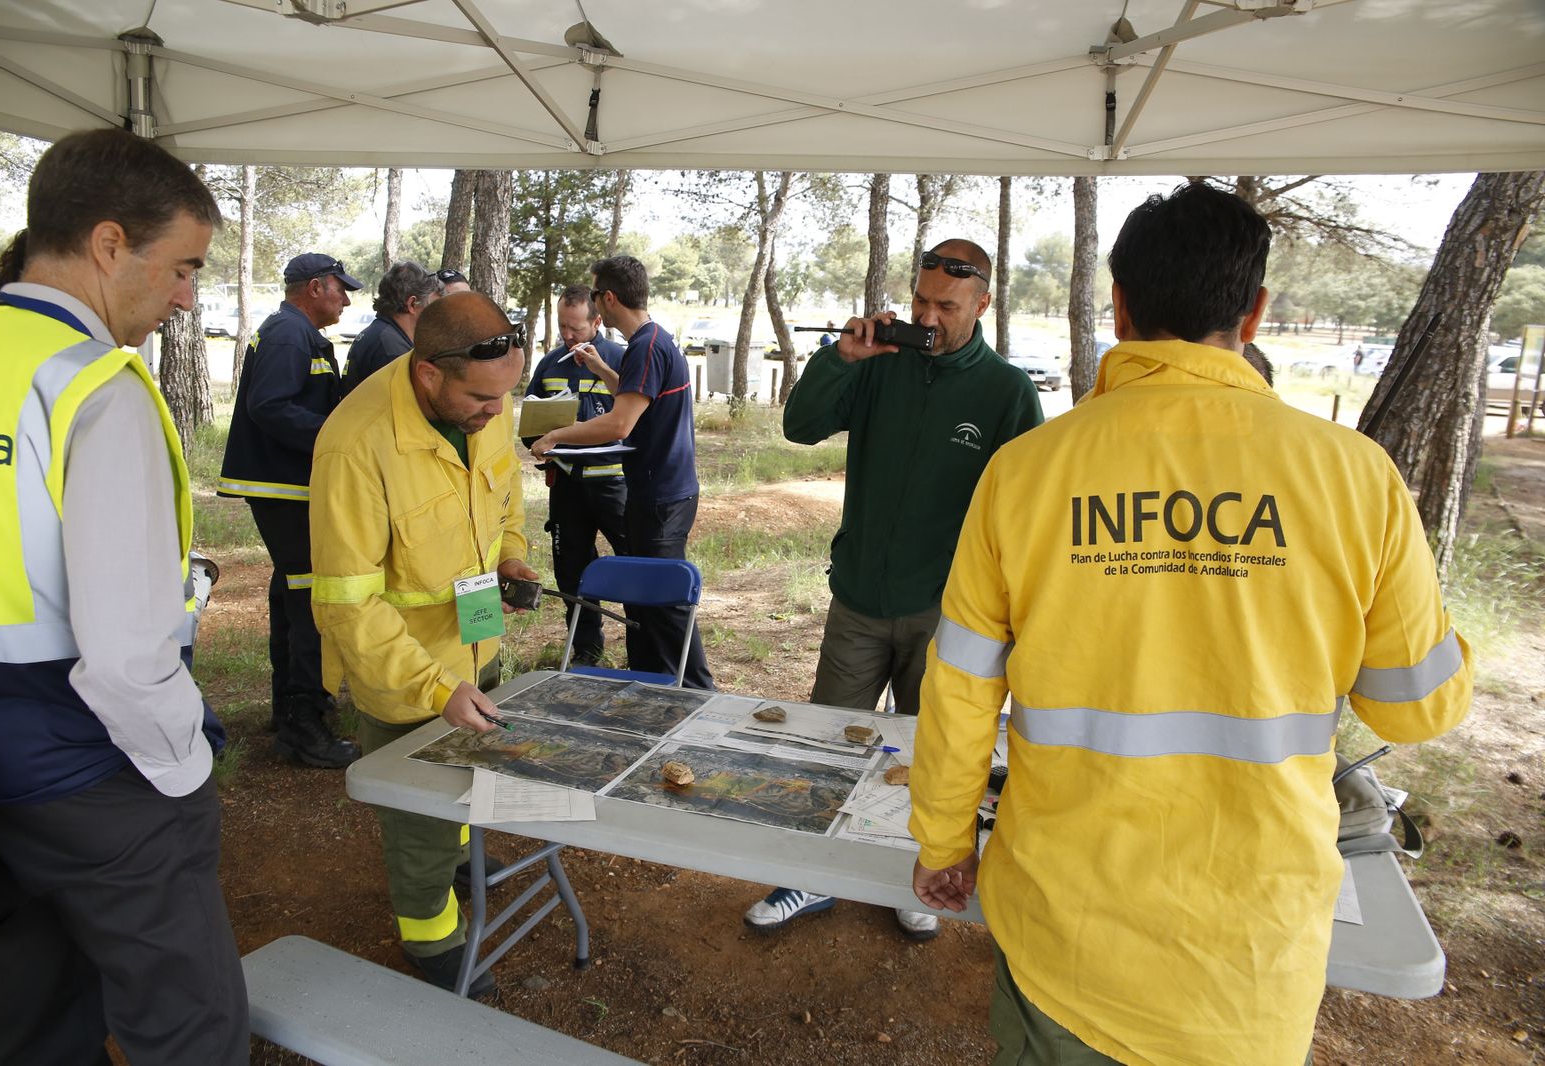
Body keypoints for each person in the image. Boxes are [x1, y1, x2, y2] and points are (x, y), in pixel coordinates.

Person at [910, 183, 1472, 1065]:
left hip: (1064, 932)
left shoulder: (1027, 472)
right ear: (1253, 311)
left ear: (1121, 305)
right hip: (1248, 957)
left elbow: (961, 687)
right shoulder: (1355, 476)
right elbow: (1418, 709)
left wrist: (944, 841)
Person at [0, 127, 248, 1064]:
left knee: (30, 996)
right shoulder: (96, 389)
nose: (186, 295)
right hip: (89, 765)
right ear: (111, 244)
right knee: (188, 1021)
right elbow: (125, 657)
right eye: (184, 266)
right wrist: (183, 772)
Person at [746, 240, 1044, 940]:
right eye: (920, 301)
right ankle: (808, 878)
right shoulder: (881, 365)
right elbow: (800, 426)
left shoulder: (1006, 392)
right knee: (828, 741)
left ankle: (915, 874)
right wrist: (839, 360)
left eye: (946, 305)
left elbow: (1028, 514)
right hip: (858, 597)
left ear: (982, 304)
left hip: (947, 614)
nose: (929, 317)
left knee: (930, 756)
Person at [310, 291, 538, 998]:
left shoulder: (484, 398)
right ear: (429, 372)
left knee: (470, 780)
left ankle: (459, 863)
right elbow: (348, 603)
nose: (495, 414)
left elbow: (504, 502)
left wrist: (512, 559)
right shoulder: (357, 444)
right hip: (405, 673)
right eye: (481, 399)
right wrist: (435, 688)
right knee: (418, 815)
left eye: (505, 397)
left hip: (475, 648)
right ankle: (429, 935)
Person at [529, 256, 713, 689]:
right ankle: (653, 689)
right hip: (659, 490)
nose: (593, 304)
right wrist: (600, 369)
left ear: (607, 299)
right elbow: (634, 395)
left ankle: (700, 694)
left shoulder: (647, 346)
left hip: (661, 493)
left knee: (665, 604)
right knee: (649, 602)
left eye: (594, 296)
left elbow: (618, 423)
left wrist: (555, 435)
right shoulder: (649, 342)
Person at [218, 250, 362, 769]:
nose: (346, 298)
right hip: (284, 488)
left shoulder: (301, 333)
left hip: (291, 487)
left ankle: (289, 711)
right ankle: (304, 726)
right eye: (340, 288)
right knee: (308, 599)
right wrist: (335, 437)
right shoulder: (286, 333)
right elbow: (269, 405)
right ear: (315, 287)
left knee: (293, 591)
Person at [523, 284, 630, 666]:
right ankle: (586, 651)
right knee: (572, 571)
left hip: (616, 484)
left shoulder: (620, 358)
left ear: (597, 321)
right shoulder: (550, 364)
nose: (568, 336)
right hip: (567, 485)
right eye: (562, 327)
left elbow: (640, 419)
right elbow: (530, 424)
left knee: (633, 564)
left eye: (576, 329)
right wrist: (539, 441)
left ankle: (646, 649)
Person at [342, 260, 439, 393]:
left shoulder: (380, 333)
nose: (437, 313)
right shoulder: (391, 348)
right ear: (412, 304)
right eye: (433, 305)